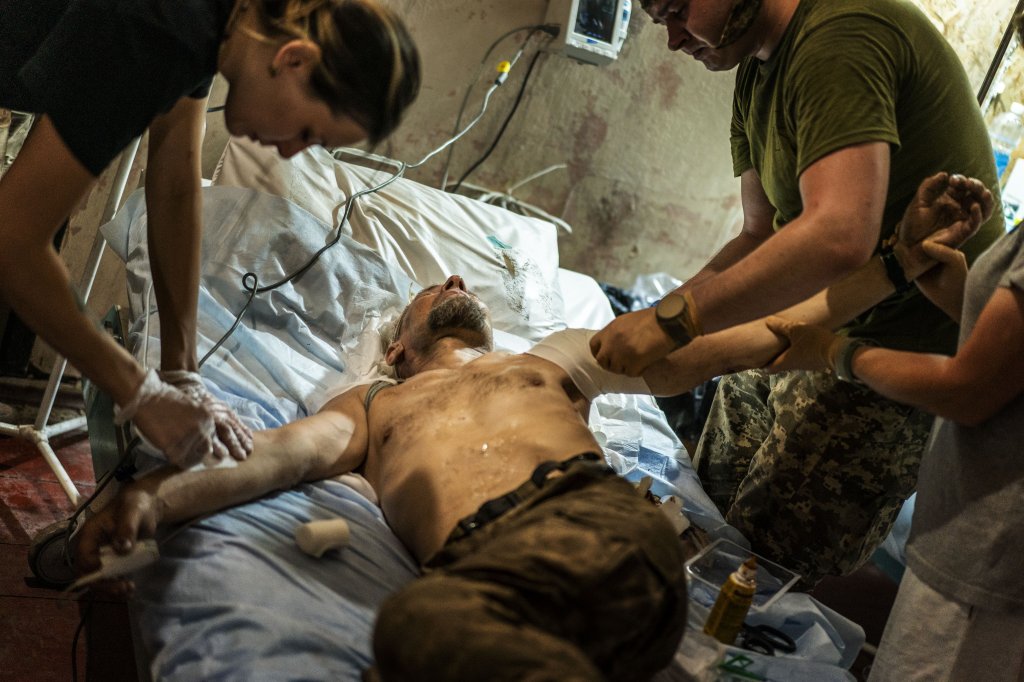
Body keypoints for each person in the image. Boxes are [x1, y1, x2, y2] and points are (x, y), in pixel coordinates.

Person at [73, 172, 991, 680]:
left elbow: (767, 337)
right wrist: (155, 499)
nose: (461, 286)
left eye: (463, 284)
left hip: (608, 531)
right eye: (437, 288)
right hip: (512, 579)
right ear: (394, 344)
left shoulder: (552, 355)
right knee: (425, 638)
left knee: (417, 644)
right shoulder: (374, 407)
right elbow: (269, 462)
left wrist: (898, 264)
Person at [590, 0, 1005, 586]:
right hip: (816, 311)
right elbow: (759, 235)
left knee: (763, 571)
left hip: (895, 353)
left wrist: (674, 321)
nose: (675, 41)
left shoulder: (841, 34)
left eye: (679, 11)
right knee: (706, 513)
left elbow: (840, 235)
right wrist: (666, 318)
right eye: (662, 22)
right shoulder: (756, 71)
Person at [0, 0, 420, 468]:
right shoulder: (162, 26)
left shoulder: (215, 22)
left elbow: (177, 183)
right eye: (307, 132)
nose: (289, 151)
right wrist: (139, 392)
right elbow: (13, 240)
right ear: (293, 59)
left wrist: (182, 373)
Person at [766, 217, 1024, 677]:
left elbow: (971, 391)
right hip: (967, 532)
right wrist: (964, 296)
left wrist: (837, 353)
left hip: (990, 558)